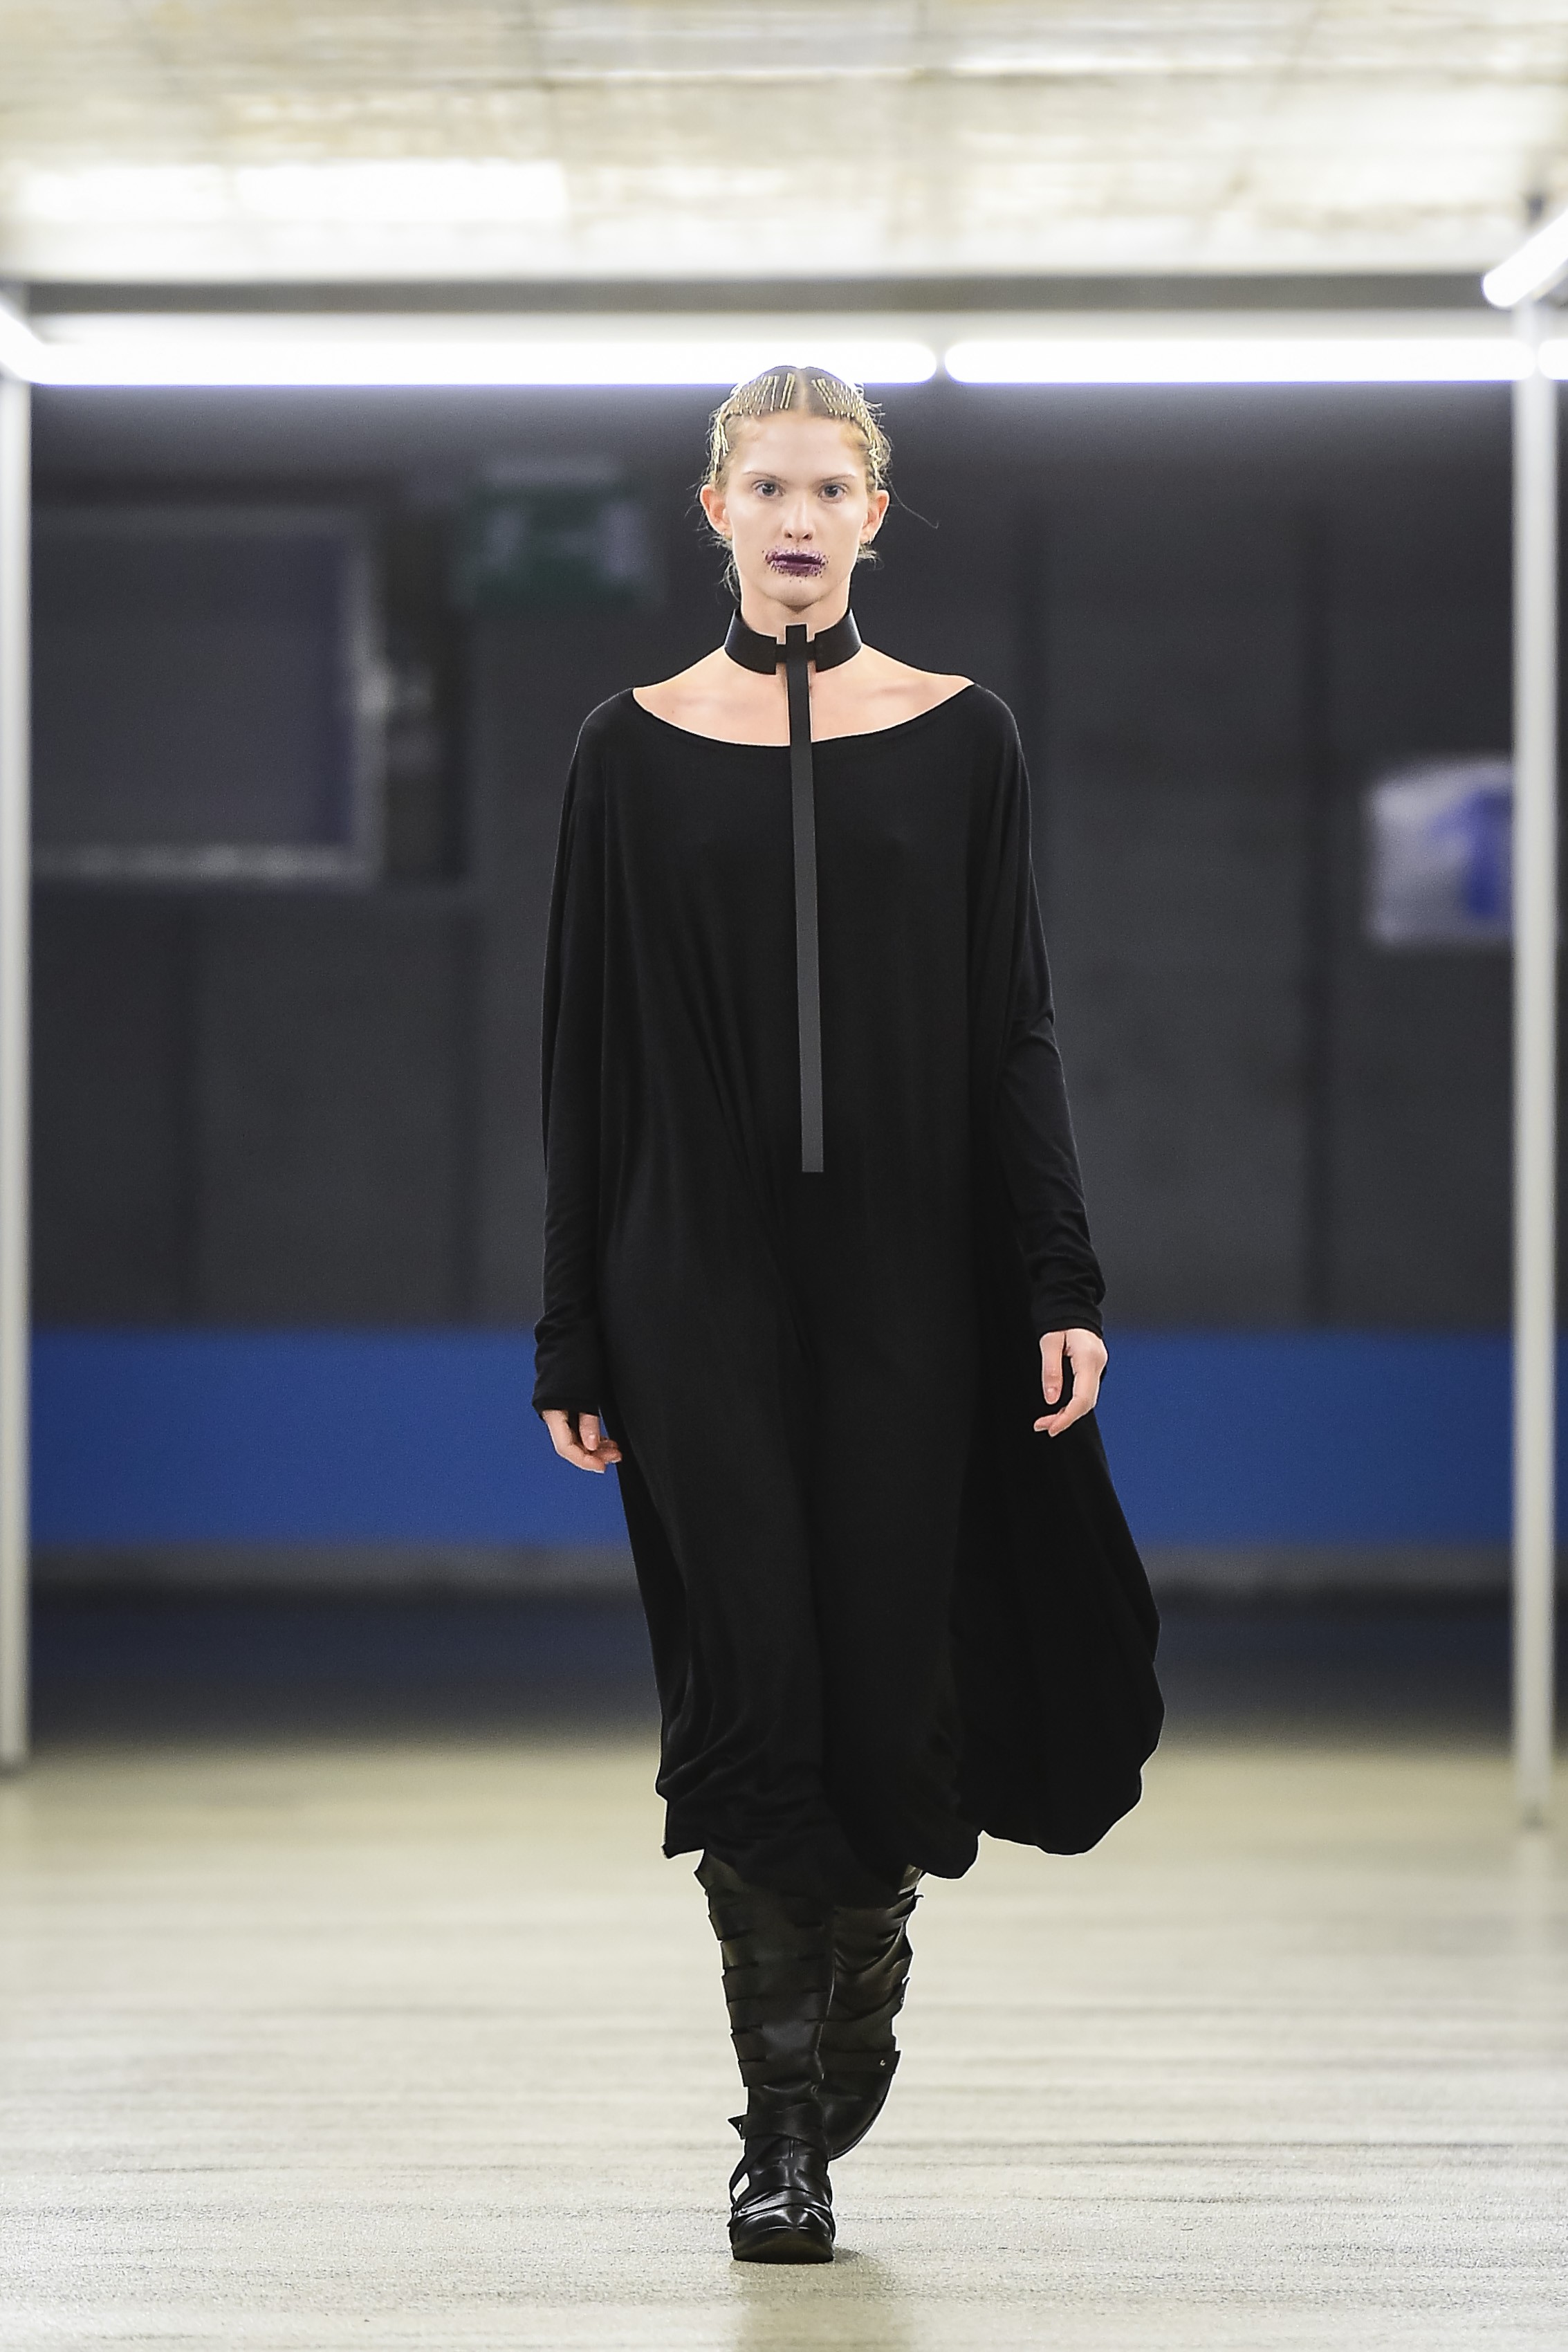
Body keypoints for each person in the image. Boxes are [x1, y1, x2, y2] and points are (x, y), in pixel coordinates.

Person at [533, 364, 1162, 2265]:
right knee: (747, 1679)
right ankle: (782, 2124)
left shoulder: (965, 739)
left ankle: (863, 1955)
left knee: (888, 1674)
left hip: (914, 1272)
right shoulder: (627, 749)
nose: (798, 519)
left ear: (872, 516)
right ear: (714, 510)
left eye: (829, 490)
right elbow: (584, 1055)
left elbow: (1014, 1027)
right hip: (690, 1273)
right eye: (768, 488)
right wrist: (571, 1325)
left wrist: (1056, 1275)